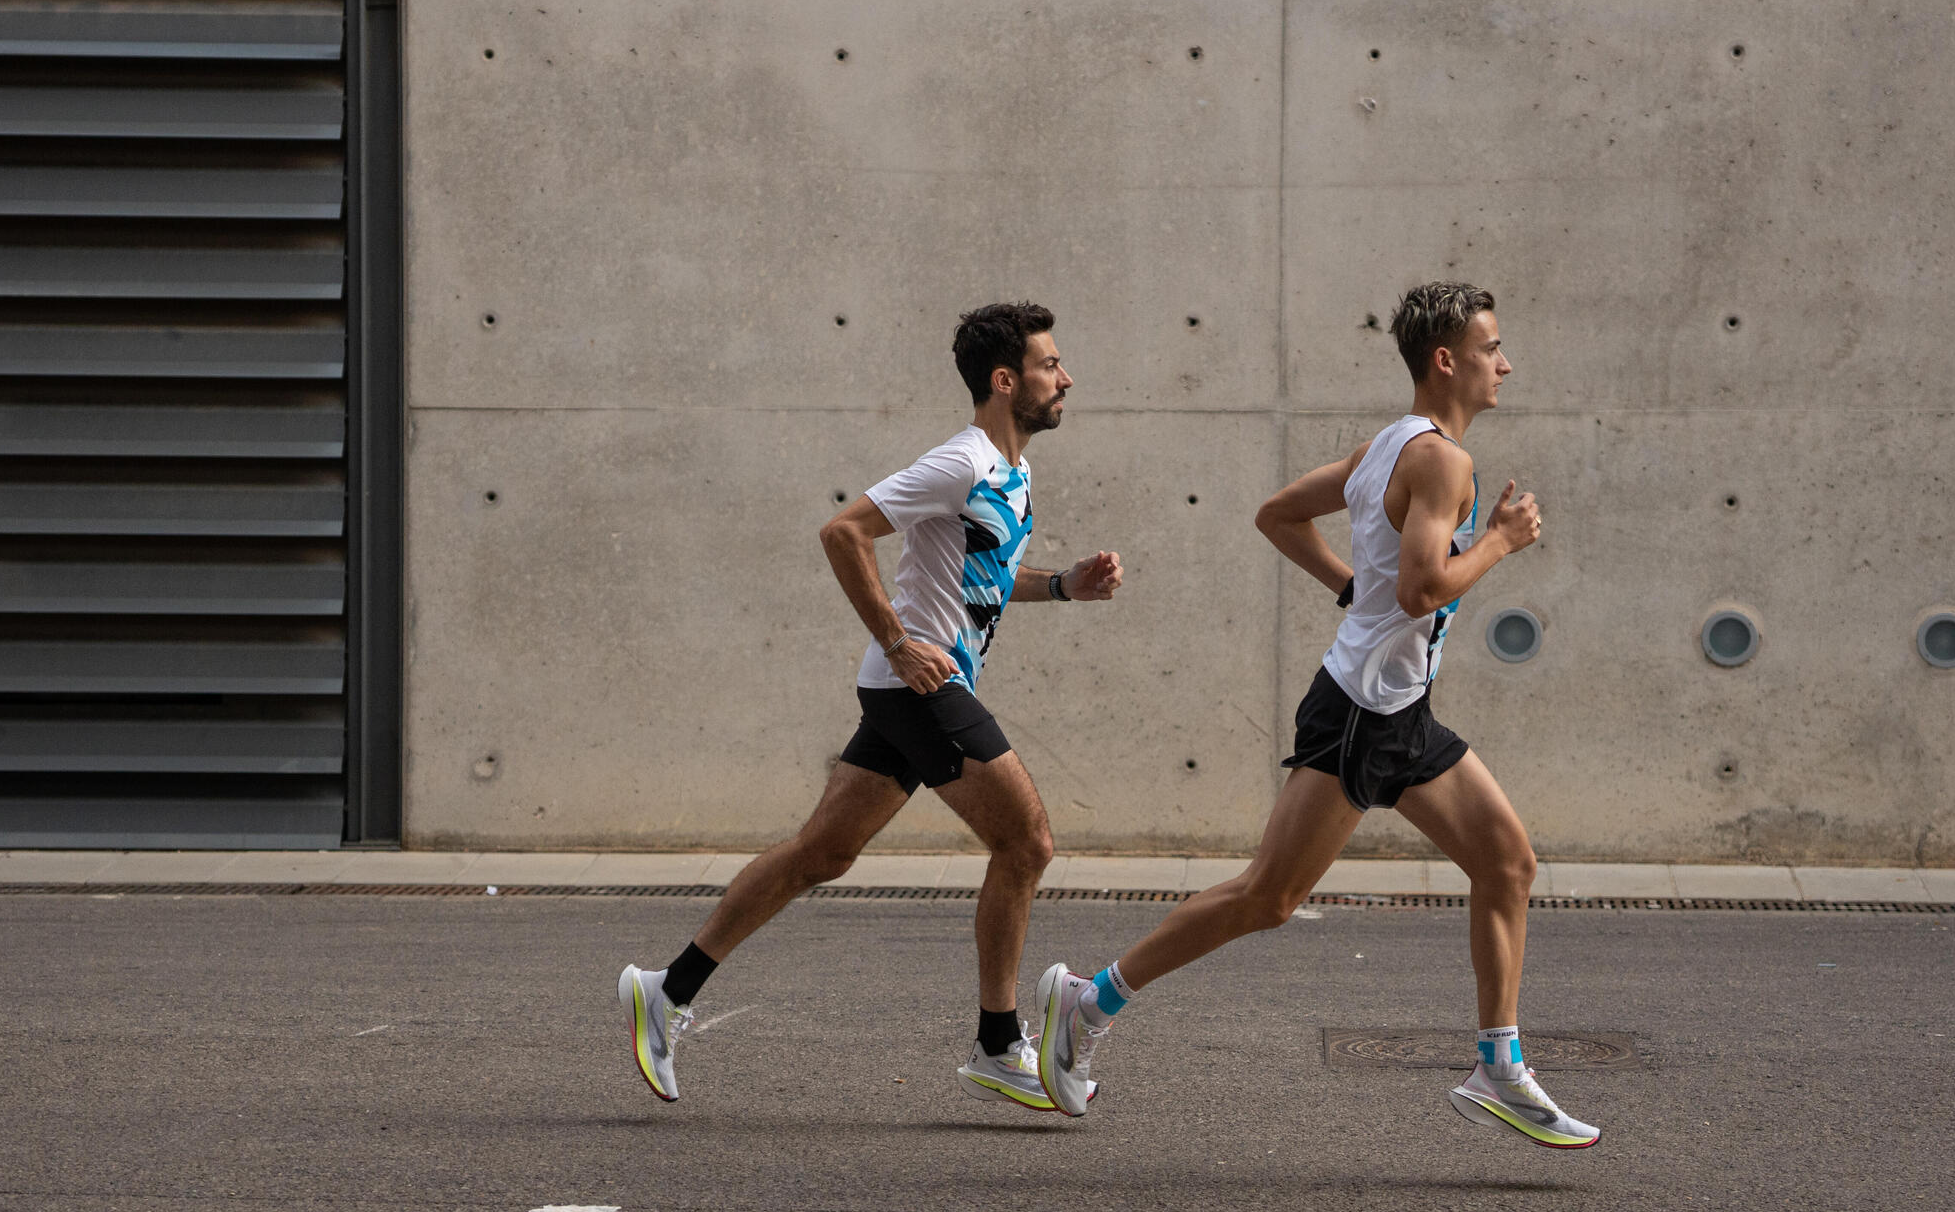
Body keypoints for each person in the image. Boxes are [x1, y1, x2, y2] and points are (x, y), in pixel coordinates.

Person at [1033, 280, 1597, 1147]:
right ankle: (1087, 1001)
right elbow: (1420, 591)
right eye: (1492, 348)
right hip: (1362, 711)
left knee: (1507, 864)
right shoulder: (1441, 462)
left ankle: (1499, 1065)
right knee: (1267, 897)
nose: (1505, 363)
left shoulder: (1389, 445)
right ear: (1446, 360)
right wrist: (1499, 541)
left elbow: (1280, 516)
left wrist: (1351, 588)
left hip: (1401, 709)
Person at [619, 302, 1124, 1108]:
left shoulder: (1014, 471)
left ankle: (666, 988)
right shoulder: (960, 461)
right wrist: (897, 641)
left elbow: (985, 579)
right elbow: (843, 532)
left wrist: (1064, 586)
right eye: (1050, 365)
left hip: (914, 689)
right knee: (1026, 843)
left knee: (822, 854)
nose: (1066, 378)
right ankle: (999, 1044)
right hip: (921, 688)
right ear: (1005, 381)